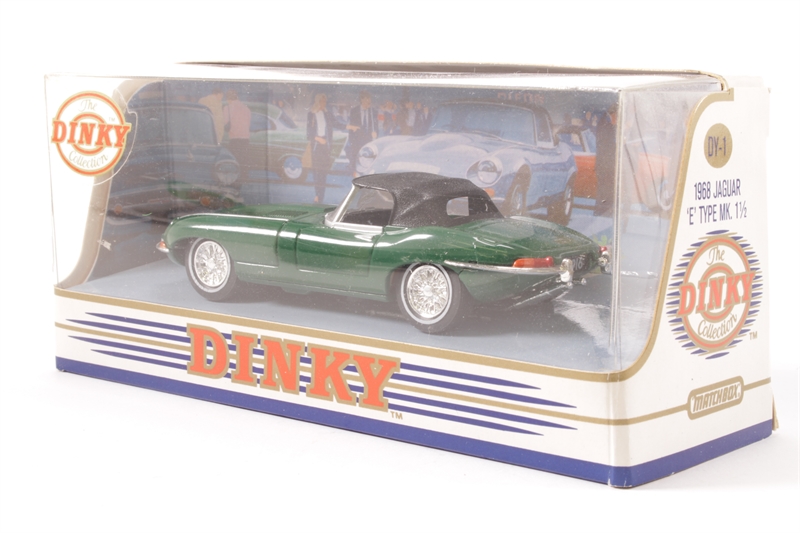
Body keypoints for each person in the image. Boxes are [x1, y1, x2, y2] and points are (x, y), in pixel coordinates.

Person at [306, 93, 334, 203]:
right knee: (317, 172)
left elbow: (336, 123)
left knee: (323, 172)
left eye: (325, 101)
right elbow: (309, 134)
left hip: (325, 146)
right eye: (322, 101)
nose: (324, 103)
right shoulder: (311, 114)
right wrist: (318, 139)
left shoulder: (327, 114)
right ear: (318, 102)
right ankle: (317, 194)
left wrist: (349, 126)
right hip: (316, 146)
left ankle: (321, 196)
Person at [346, 91, 377, 176]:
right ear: (362, 100)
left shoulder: (373, 112)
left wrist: (375, 134)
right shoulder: (354, 111)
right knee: (357, 165)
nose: (368, 102)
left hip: (368, 143)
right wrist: (352, 143)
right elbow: (351, 130)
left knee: (367, 165)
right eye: (367, 100)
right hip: (357, 142)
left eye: (369, 101)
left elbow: (376, 127)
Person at [594, 103, 618, 216]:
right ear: (614, 114)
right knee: (604, 190)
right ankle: (602, 212)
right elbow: (606, 145)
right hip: (605, 165)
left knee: (606, 190)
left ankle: (603, 212)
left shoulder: (605, 123)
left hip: (606, 164)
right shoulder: (605, 124)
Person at [223, 90, 251, 182]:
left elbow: (225, 122)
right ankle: (244, 178)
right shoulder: (246, 108)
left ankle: (234, 180)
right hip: (245, 139)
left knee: (234, 160)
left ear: (228, 98)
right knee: (244, 160)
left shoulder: (227, 108)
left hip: (234, 138)